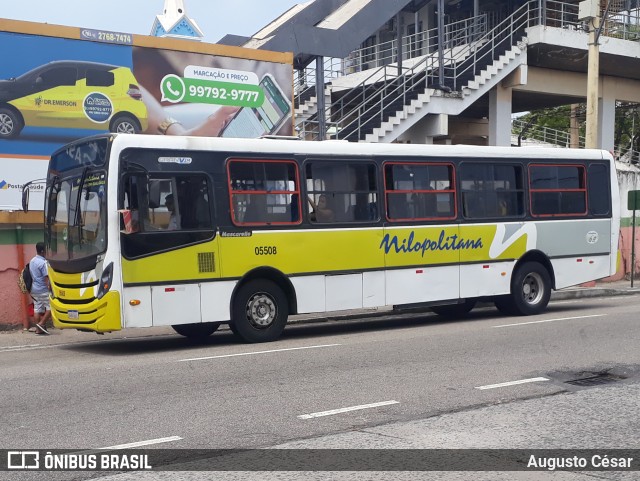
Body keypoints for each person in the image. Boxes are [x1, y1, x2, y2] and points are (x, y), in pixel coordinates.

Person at [29, 242, 51, 335]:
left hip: (34, 289)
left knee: (37, 309)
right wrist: (50, 287)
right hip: (43, 290)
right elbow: (47, 278)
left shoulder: (32, 261)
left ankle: (38, 330)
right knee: (51, 307)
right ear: (42, 251)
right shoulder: (43, 263)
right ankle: (41, 324)